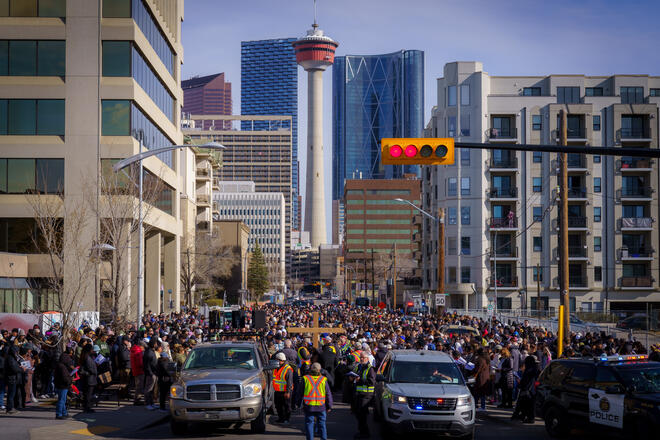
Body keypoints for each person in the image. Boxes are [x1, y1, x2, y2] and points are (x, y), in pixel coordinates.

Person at [299, 362, 332, 440]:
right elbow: (328, 394)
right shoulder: (323, 379)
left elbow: (299, 393)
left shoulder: (305, 378)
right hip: (321, 406)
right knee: (322, 424)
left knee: (309, 423)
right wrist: (329, 406)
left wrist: (298, 404)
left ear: (311, 369)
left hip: (309, 406)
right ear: (319, 370)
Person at [352, 351, 375, 439]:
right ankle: (362, 431)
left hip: (366, 395)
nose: (361, 359)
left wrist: (360, 380)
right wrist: (352, 378)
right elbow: (354, 375)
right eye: (360, 357)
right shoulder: (359, 366)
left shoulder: (370, 368)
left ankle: (365, 433)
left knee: (362, 415)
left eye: (363, 358)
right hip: (359, 394)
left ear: (367, 359)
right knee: (358, 413)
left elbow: (371, 382)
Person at [511, 355, 539, 423]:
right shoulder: (536, 370)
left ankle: (529, 418)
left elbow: (525, 381)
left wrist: (520, 383)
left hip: (527, 390)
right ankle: (525, 416)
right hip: (533, 390)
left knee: (526, 404)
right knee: (530, 405)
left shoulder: (529, 370)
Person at [272, 352, 293, 424]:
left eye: (276, 360)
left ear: (280, 360)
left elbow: (289, 382)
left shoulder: (288, 369)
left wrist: (288, 392)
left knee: (287, 406)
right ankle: (281, 418)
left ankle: (287, 419)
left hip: (285, 391)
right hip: (277, 391)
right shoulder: (277, 367)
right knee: (278, 405)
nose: (275, 361)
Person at [54, 347, 74, 419]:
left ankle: (64, 412)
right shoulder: (63, 367)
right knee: (62, 400)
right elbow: (65, 377)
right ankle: (59, 414)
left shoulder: (60, 365)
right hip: (63, 385)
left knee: (63, 399)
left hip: (60, 384)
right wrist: (70, 382)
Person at [79, 344, 98, 413]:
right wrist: (95, 371)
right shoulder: (87, 358)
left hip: (87, 378)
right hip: (90, 378)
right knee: (88, 394)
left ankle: (86, 407)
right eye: (91, 349)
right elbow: (91, 368)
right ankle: (87, 407)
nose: (92, 350)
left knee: (87, 393)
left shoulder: (85, 356)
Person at [143, 339, 159, 410]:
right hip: (151, 374)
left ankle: (151, 403)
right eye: (155, 344)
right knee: (148, 389)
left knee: (152, 390)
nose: (156, 345)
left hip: (154, 373)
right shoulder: (148, 352)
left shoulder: (151, 351)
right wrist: (151, 374)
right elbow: (147, 365)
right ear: (153, 344)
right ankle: (147, 404)